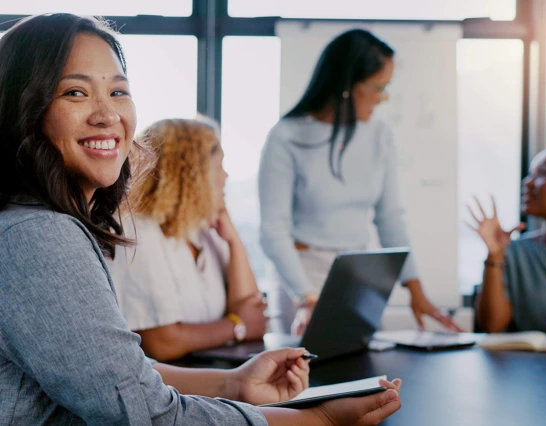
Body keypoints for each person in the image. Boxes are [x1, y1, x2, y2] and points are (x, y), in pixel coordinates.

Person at [0, 13, 403, 424]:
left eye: (119, 91)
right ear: (25, 108)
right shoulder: (37, 235)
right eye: (75, 92)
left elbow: (116, 375)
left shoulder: (50, 227)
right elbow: (146, 415)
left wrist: (233, 384)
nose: (108, 114)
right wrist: (318, 421)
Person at [258, 28, 461, 334]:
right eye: (378, 87)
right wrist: (305, 297)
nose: (384, 98)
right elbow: (274, 230)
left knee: (359, 371)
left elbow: (391, 218)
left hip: (355, 275)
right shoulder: (286, 136)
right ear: (346, 86)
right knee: (298, 374)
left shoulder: (381, 134)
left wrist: (415, 290)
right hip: (300, 274)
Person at [109, 117, 267, 361]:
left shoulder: (202, 230)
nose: (225, 176)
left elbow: (252, 310)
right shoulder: (136, 231)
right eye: (219, 165)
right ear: (191, 173)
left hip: (212, 371)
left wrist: (234, 242)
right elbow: (162, 343)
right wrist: (237, 326)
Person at [468, 148, 546, 334]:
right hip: (526, 362)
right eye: (530, 174)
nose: (527, 182)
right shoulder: (514, 251)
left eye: (543, 173)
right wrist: (495, 256)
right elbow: (492, 327)